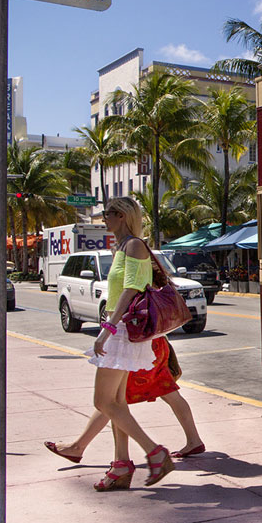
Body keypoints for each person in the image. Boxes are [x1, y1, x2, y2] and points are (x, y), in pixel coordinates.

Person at [82, 196, 175, 490]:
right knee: (117, 403)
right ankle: (120, 466)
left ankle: (155, 452)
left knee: (103, 401)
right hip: (118, 328)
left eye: (108, 214)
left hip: (121, 330)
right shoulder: (121, 247)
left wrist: (107, 329)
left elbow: (133, 287)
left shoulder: (134, 245)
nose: (104, 218)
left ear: (122, 216)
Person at [44, 337, 205, 464]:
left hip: (137, 346)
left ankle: (105, 455)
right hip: (156, 344)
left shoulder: (131, 292)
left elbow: (118, 314)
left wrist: (105, 334)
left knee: (112, 400)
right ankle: (193, 440)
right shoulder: (155, 292)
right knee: (167, 391)